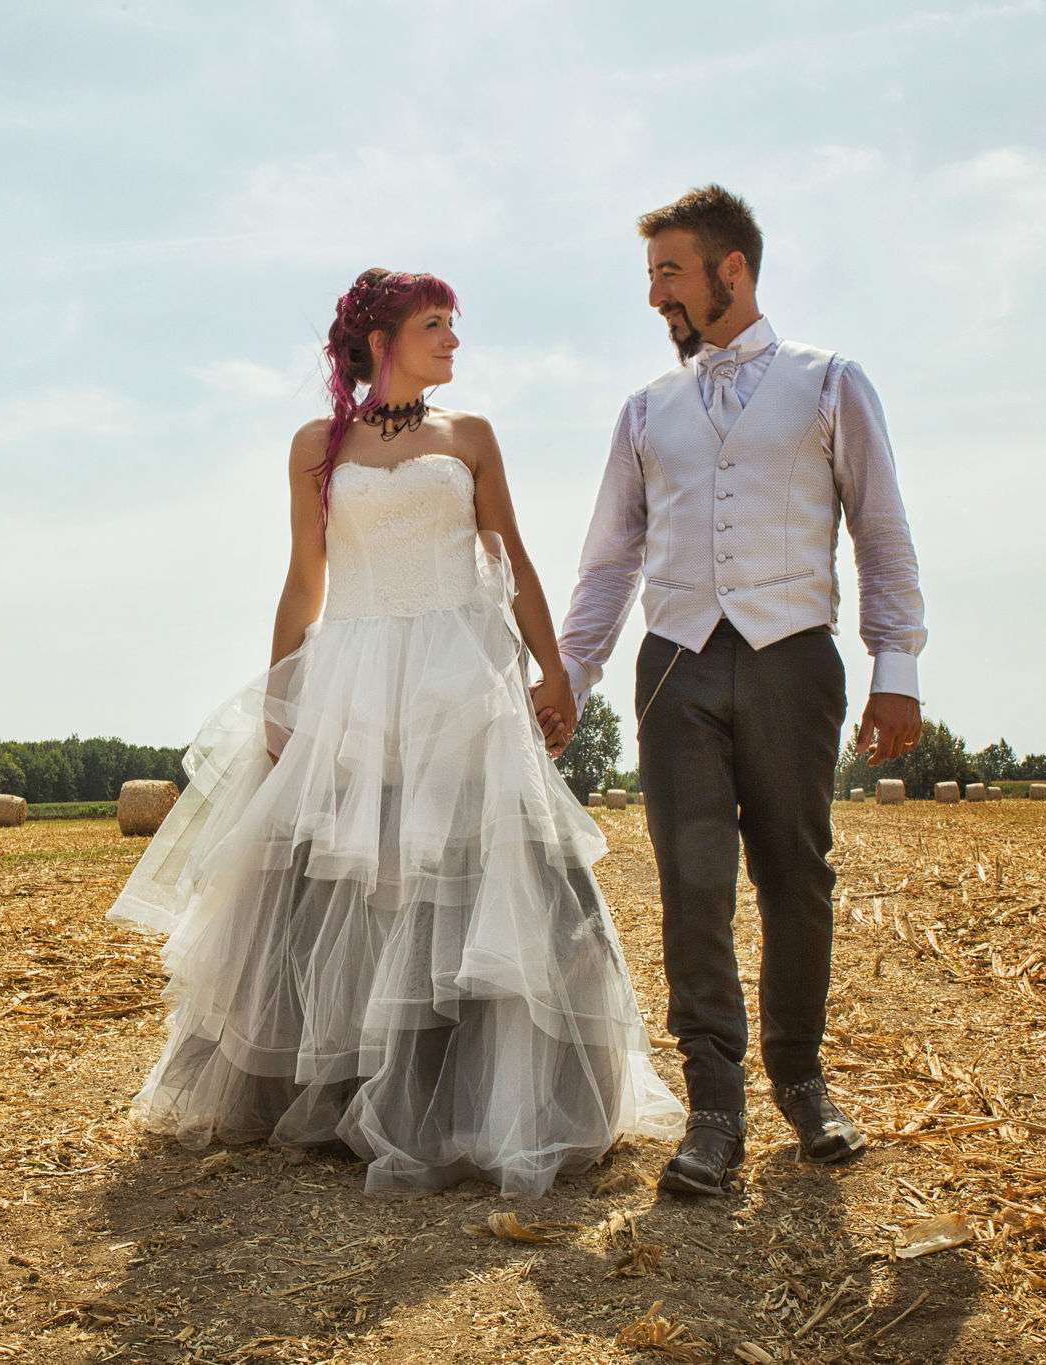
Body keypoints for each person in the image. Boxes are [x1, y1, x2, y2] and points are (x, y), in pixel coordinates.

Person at [107, 268, 683, 1198]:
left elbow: (518, 563)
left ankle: (496, 1099)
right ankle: (345, 1097)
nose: (453, 339)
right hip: (357, 679)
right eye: (434, 323)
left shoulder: (471, 437)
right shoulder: (315, 446)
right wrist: (279, 695)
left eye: (455, 324)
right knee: (355, 881)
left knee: (487, 871)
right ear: (381, 339)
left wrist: (554, 670)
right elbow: (306, 580)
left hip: (464, 675)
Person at [539, 185, 927, 1197]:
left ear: (730, 269)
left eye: (668, 271)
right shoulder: (643, 412)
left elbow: (878, 533)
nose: (654, 295)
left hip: (792, 658)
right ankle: (714, 1108)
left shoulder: (830, 384)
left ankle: (800, 1079)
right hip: (673, 666)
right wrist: (568, 680)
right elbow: (606, 565)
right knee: (692, 886)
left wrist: (897, 667)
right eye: (651, 275)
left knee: (796, 876)